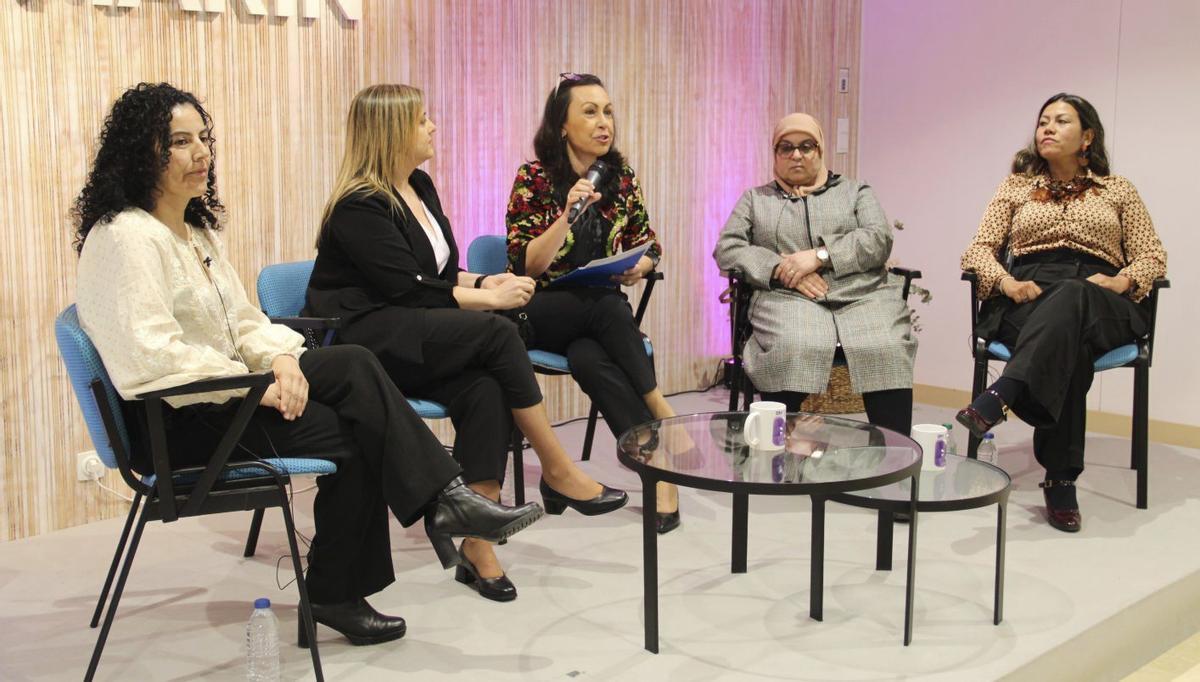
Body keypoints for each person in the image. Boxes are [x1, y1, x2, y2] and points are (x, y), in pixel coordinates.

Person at [72, 83, 543, 646]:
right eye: (179, 141)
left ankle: (426, 521)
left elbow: (242, 322)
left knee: (353, 373)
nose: (201, 153)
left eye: (203, 138)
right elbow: (149, 356)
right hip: (178, 422)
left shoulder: (193, 231)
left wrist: (278, 358)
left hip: (231, 395)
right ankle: (367, 566)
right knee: (359, 424)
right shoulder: (125, 237)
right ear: (139, 153)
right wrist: (260, 385)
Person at [305, 84, 627, 601]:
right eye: (422, 119)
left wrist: (485, 283)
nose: (433, 127)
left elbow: (437, 272)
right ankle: (558, 468)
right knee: (499, 333)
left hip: (416, 326)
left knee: (485, 385)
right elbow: (402, 289)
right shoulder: (358, 205)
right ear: (391, 132)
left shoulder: (420, 185)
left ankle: (479, 544)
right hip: (367, 337)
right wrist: (489, 300)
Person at [958, 93, 1167, 533]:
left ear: (1087, 136)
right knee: (1066, 343)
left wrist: (1121, 281)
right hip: (1026, 297)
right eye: (1042, 121)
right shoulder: (1014, 187)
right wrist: (1006, 282)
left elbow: (1152, 256)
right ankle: (1060, 479)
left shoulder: (1118, 189)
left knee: (1074, 299)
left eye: (1061, 121)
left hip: (1100, 299)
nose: (1047, 129)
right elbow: (978, 250)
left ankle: (1003, 394)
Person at [505, 72, 683, 534]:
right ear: (561, 125)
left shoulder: (621, 177)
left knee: (589, 357)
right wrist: (567, 214)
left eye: (607, 111)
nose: (604, 123)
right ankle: (659, 408)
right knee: (606, 308)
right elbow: (526, 266)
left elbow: (650, 244)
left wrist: (639, 268)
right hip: (538, 311)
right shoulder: (534, 179)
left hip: (595, 322)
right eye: (590, 112)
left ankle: (655, 471)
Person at [713, 113, 916, 438]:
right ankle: (779, 444)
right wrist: (782, 269)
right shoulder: (756, 199)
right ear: (775, 155)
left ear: (820, 150)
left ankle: (894, 458)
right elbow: (728, 248)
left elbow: (879, 238)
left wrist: (819, 257)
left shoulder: (855, 191)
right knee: (795, 343)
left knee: (886, 345)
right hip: (788, 297)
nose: (796, 154)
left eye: (806, 146)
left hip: (861, 296)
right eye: (786, 147)